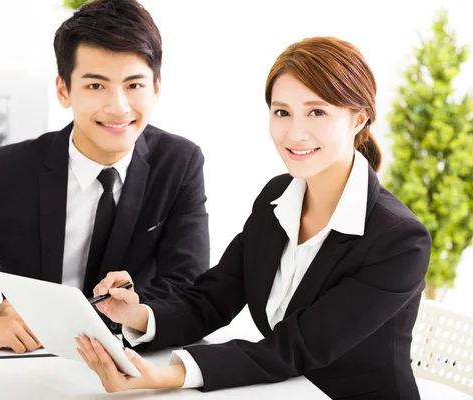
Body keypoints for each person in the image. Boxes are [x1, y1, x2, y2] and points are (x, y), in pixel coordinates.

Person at [75, 36, 432, 399]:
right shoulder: (276, 198)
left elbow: (293, 348)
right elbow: (213, 298)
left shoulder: (399, 240)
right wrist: (136, 315)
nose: (294, 133)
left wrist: (164, 376)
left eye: (317, 112)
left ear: (359, 118)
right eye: (282, 112)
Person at [0, 0, 209, 354]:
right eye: (95, 86)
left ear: (157, 87)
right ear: (63, 90)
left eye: (134, 85)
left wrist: (76, 317)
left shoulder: (179, 163)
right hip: (22, 365)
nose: (118, 107)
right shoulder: (5, 172)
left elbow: (189, 291)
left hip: (133, 366)